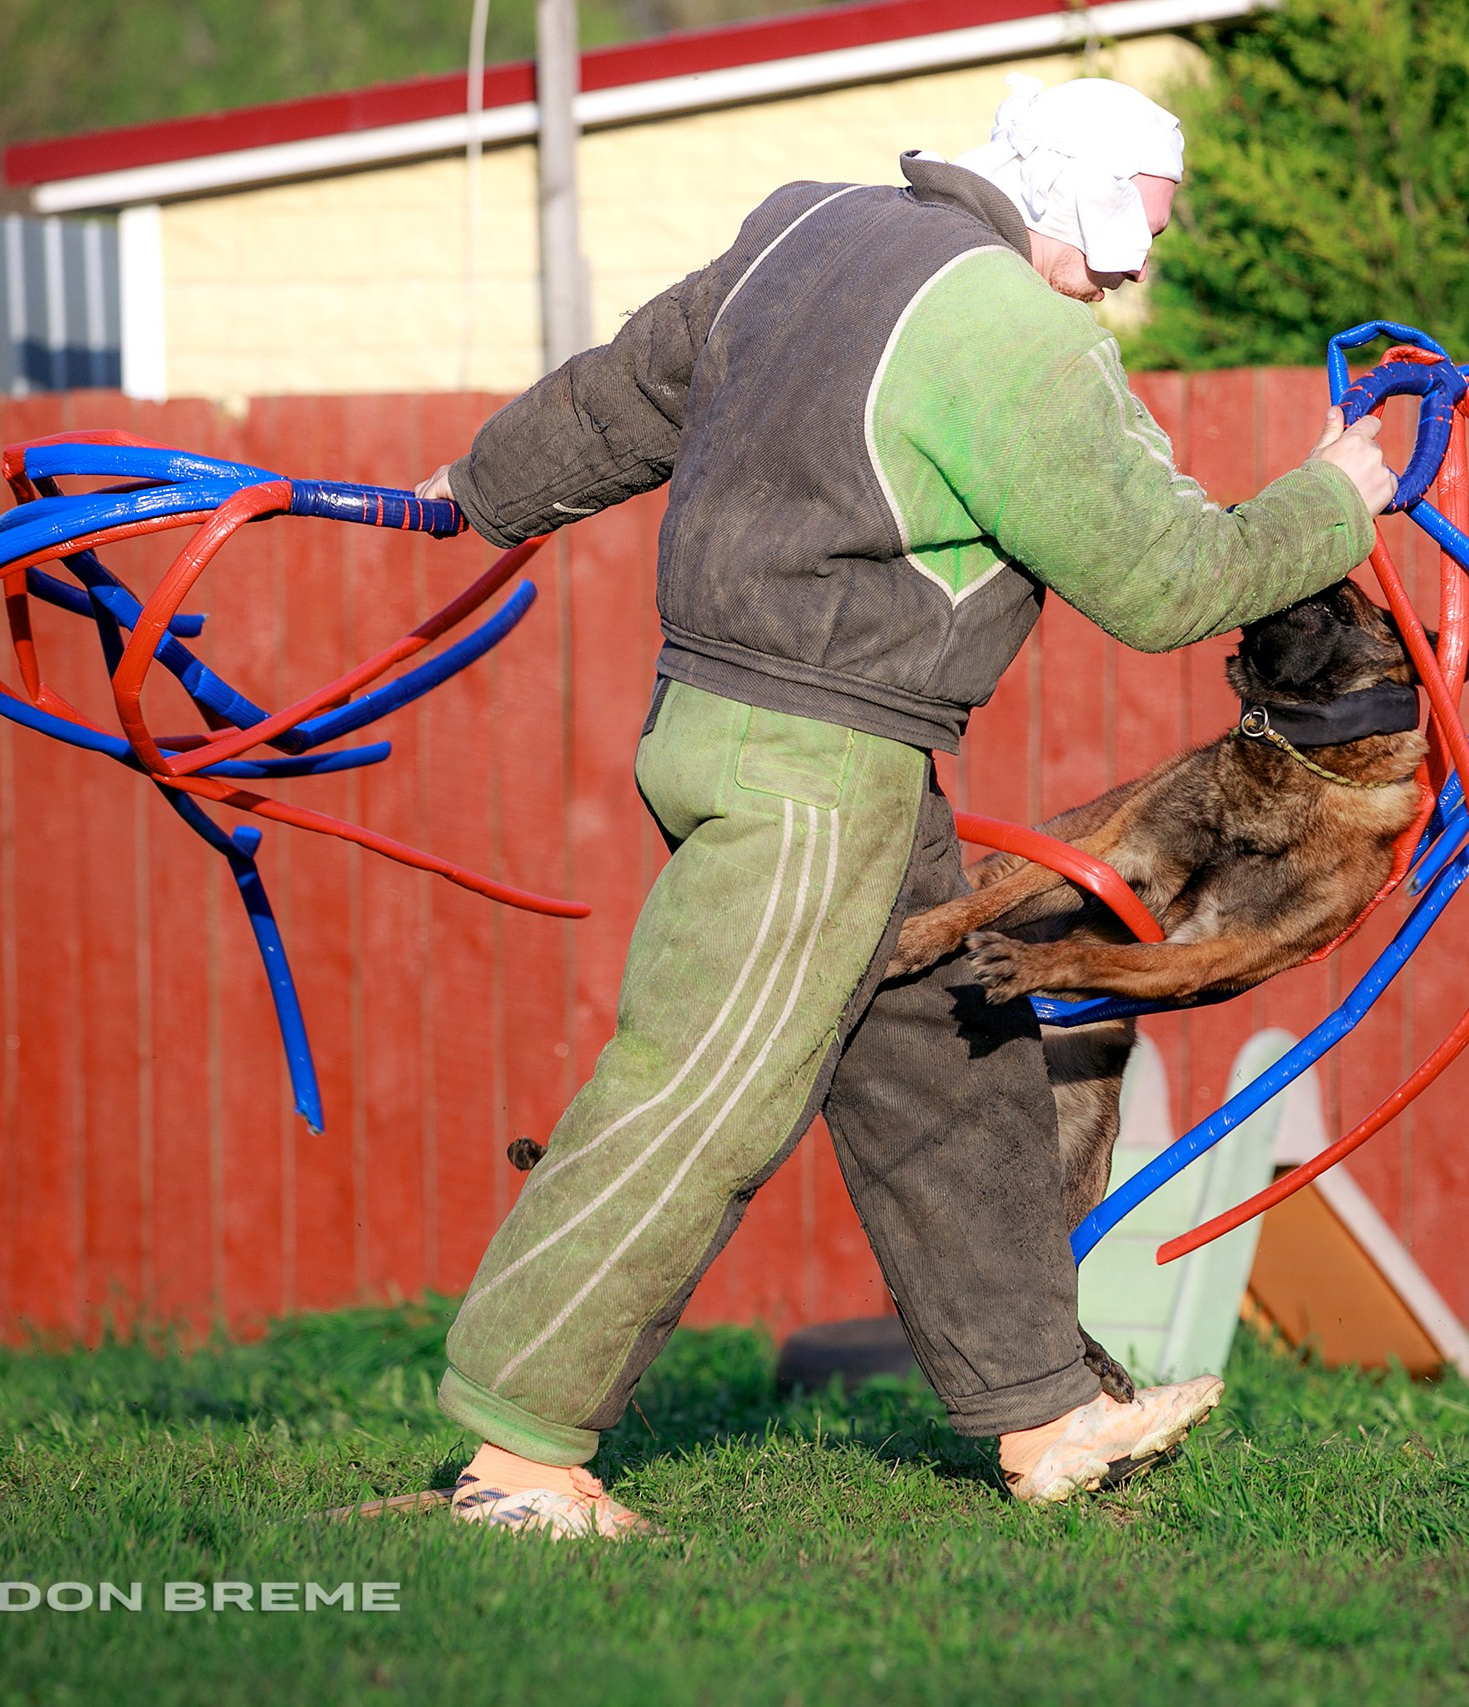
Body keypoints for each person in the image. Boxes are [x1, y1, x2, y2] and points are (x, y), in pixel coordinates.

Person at [414, 75, 1395, 1538]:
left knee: (953, 1075)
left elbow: (627, 391)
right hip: (818, 768)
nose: (1136, 269)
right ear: (1070, 184)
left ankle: (1047, 1415)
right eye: (1138, 226)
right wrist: (1339, 496)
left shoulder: (800, 231)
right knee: (702, 1097)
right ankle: (516, 1462)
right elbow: (1170, 581)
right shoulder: (1016, 332)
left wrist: (474, 492)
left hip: (769, 737)